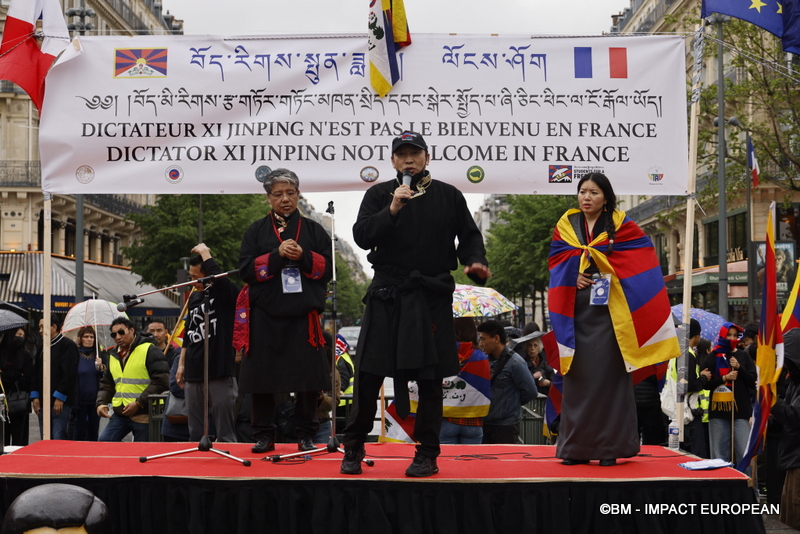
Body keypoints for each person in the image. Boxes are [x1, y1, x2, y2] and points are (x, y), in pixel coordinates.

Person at [340, 131, 490, 477]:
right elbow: (362, 236)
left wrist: (474, 261)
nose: (409, 159)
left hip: (428, 295)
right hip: (387, 294)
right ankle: (354, 446)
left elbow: (469, 238)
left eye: (415, 153)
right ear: (393, 160)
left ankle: (427, 453)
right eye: (402, 154)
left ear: (426, 157)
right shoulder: (378, 194)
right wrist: (392, 208)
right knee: (367, 374)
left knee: (430, 378)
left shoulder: (449, 195)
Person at [548, 172, 678, 466]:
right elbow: (555, 260)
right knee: (577, 381)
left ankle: (609, 449)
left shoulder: (623, 225)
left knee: (610, 382)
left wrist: (609, 273)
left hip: (611, 314)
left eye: (593, 192)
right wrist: (573, 275)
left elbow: (641, 258)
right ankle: (574, 448)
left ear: (605, 196)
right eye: (582, 192)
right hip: (576, 311)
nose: (586, 197)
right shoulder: (565, 225)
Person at [236, 168, 333, 454]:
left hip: (303, 317)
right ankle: (264, 434)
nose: (285, 199)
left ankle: (305, 433)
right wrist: (275, 256)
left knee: (306, 381)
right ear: (268, 198)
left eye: (290, 193)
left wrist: (304, 256)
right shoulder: (255, 230)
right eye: (278, 194)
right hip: (265, 316)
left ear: (298, 194)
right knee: (262, 380)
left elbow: (326, 269)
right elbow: (245, 270)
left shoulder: (315, 230)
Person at [176, 243, 239, 443]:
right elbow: (188, 333)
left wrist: (205, 252)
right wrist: (181, 364)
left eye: (197, 278)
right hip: (194, 369)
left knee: (225, 430)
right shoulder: (194, 297)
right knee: (195, 430)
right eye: (191, 277)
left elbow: (220, 279)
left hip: (219, 368)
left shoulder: (225, 292)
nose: (194, 282)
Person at [96, 317, 169, 441]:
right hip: (120, 413)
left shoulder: (149, 349)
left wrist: (139, 403)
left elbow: (162, 381)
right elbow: (107, 383)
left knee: (141, 453)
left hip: (144, 414)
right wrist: (101, 403)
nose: (117, 337)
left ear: (131, 330)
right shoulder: (113, 354)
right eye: (114, 334)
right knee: (104, 442)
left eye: (121, 332)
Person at [703, 322, 756, 474]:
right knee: (719, 457)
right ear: (722, 336)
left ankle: (750, 492)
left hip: (741, 411)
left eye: (735, 335)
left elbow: (753, 381)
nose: (732, 338)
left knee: (746, 455)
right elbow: (705, 384)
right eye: (729, 335)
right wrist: (724, 378)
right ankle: (721, 493)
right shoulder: (712, 357)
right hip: (718, 412)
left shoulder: (743, 355)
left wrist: (740, 368)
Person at [476, 320, 537, 444]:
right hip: (485, 423)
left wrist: (510, 404)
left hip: (506, 426)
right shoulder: (485, 360)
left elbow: (531, 391)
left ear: (496, 338)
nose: (481, 344)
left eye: (483, 339)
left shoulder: (516, 363)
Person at [439, 317, 491, 445]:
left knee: (447, 462)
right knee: (470, 464)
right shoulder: (481, 358)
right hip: (473, 422)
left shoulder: (443, 355)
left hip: (446, 420)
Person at [32, 314, 79, 440]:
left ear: (54, 327)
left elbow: (69, 374)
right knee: (45, 438)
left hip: (61, 403)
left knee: (59, 437)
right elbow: (36, 372)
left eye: (43, 327)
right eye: (39, 327)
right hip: (43, 401)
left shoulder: (68, 345)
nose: (40, 331)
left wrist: (60, 397)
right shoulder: (42, 347)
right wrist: (35, 395)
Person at [771, 327, 800, 528]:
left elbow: (794, 416)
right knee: (789, 518)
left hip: (798, 461)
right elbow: (784, 417)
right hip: (792, 459)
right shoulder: (794, 382)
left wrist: (771, 400)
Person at [0, 327, 34, 446]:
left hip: (19, 402)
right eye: (17, 334)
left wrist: (7, 375)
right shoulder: (2, 353)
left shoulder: (26, 355)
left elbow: (27, 378)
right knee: (2, 437)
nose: (20, 337)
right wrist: (17, 374)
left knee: (19, 439)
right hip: (2, 401)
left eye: (22, 335)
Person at [73, 326, 107, 441]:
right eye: (86, 337)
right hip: (80, 401)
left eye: (92, 337)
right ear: (80, 339)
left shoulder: (99, 356)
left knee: (93, 431)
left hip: (95, 400)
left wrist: (101, 367)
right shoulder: (75, 355)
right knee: (79, 431)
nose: (89, 339)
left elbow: (106, 378)